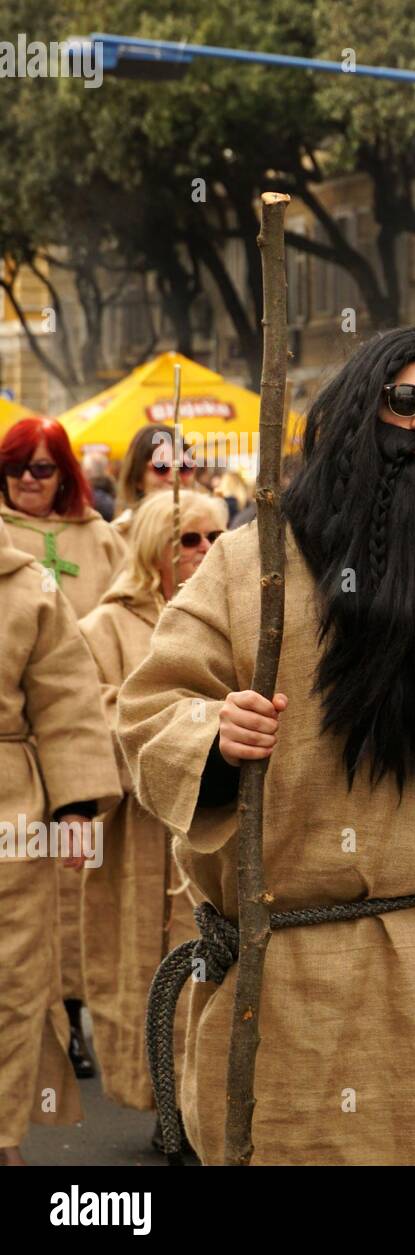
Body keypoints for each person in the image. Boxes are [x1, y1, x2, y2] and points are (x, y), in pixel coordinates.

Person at [116, 328, 415, 1165]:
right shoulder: (254, 568)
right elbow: (150, 708)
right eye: (405, 400)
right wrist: (215, 735)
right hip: (288, 986)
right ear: (361, 415)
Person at [78, 490, 228, 1128]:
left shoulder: (231, 616)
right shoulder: (102, 628)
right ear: (153, 550)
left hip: (208, 826)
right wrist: (171, 735)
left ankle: (202, 1108)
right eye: (189, 540)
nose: (205, 552)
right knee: (143, 971)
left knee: (210, 969)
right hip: (138, 833)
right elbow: (91, 717)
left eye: (215, 538)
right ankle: (162, 1108)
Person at [1, 416, 127, 1078]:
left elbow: (128, 608)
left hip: (60, 755)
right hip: (21, 762)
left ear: (66, 475)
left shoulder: (97, 540)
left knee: (58, 916)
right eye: (18, 466)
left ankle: (70, 1019)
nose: (28, 479)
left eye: (43, 467)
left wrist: (79, 797)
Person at [0, 540, 120, 1165]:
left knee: (12, 977)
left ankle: (2, 1136)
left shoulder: (28, 587)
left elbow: (67, 699)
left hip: (11, 816)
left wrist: (74, 807)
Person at [112, 424, 199, 533]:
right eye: (161, 467)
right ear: (138, 479)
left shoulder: (209, 530)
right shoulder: (119, 536)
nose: (175, 478)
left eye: (184, 467)